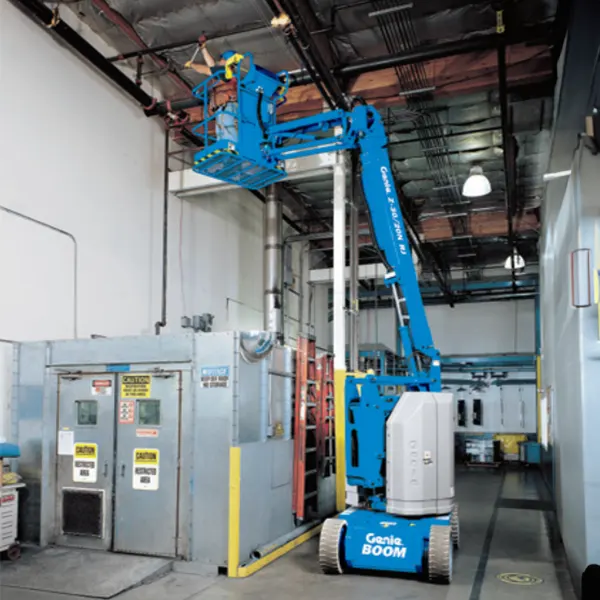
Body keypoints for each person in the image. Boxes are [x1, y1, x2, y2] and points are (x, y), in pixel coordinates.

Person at [185, 40, 239, 144]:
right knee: (223, 133)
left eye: (222, 59)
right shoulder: (226, 74)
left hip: (227, 107)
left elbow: (206, 70)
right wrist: (203, 49)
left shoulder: (224, 72)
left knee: (228, 133)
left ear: (227, 61)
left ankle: (230, 148)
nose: (220, 61)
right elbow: (212, 66)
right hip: (224, 107)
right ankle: (226, 149)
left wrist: (192, 65)